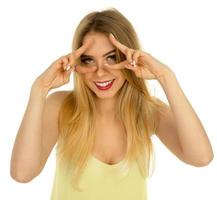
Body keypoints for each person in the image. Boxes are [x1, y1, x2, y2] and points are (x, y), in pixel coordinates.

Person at [10, 7, 214, 200]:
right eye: (89, 60)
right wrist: (39, 89)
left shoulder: (148, 111)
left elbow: (201, 158)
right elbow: (22, 173)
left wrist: (165, 76)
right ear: (78, 63)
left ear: (130, 57)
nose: (100, 72)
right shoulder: (61, 106)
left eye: (111, 58)